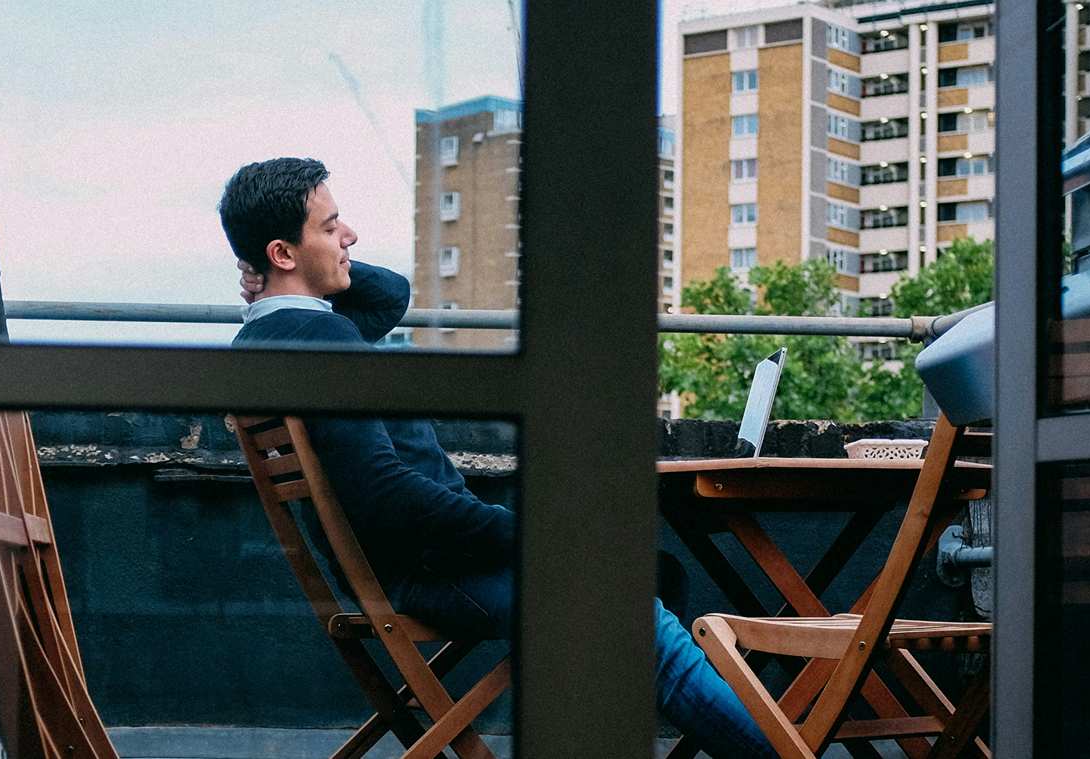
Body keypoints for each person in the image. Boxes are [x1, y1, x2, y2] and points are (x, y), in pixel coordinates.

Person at [217, 157, 772, 758]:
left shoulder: (273, 338)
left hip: (412, 566)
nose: (349, 236)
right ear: (283, 253)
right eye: (330, 227)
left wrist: (291, 265)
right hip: (435, 570)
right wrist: (530, 534)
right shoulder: (322, 339)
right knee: (632, 613)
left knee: (639, 586)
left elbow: (389, 297)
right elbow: (383, 490)